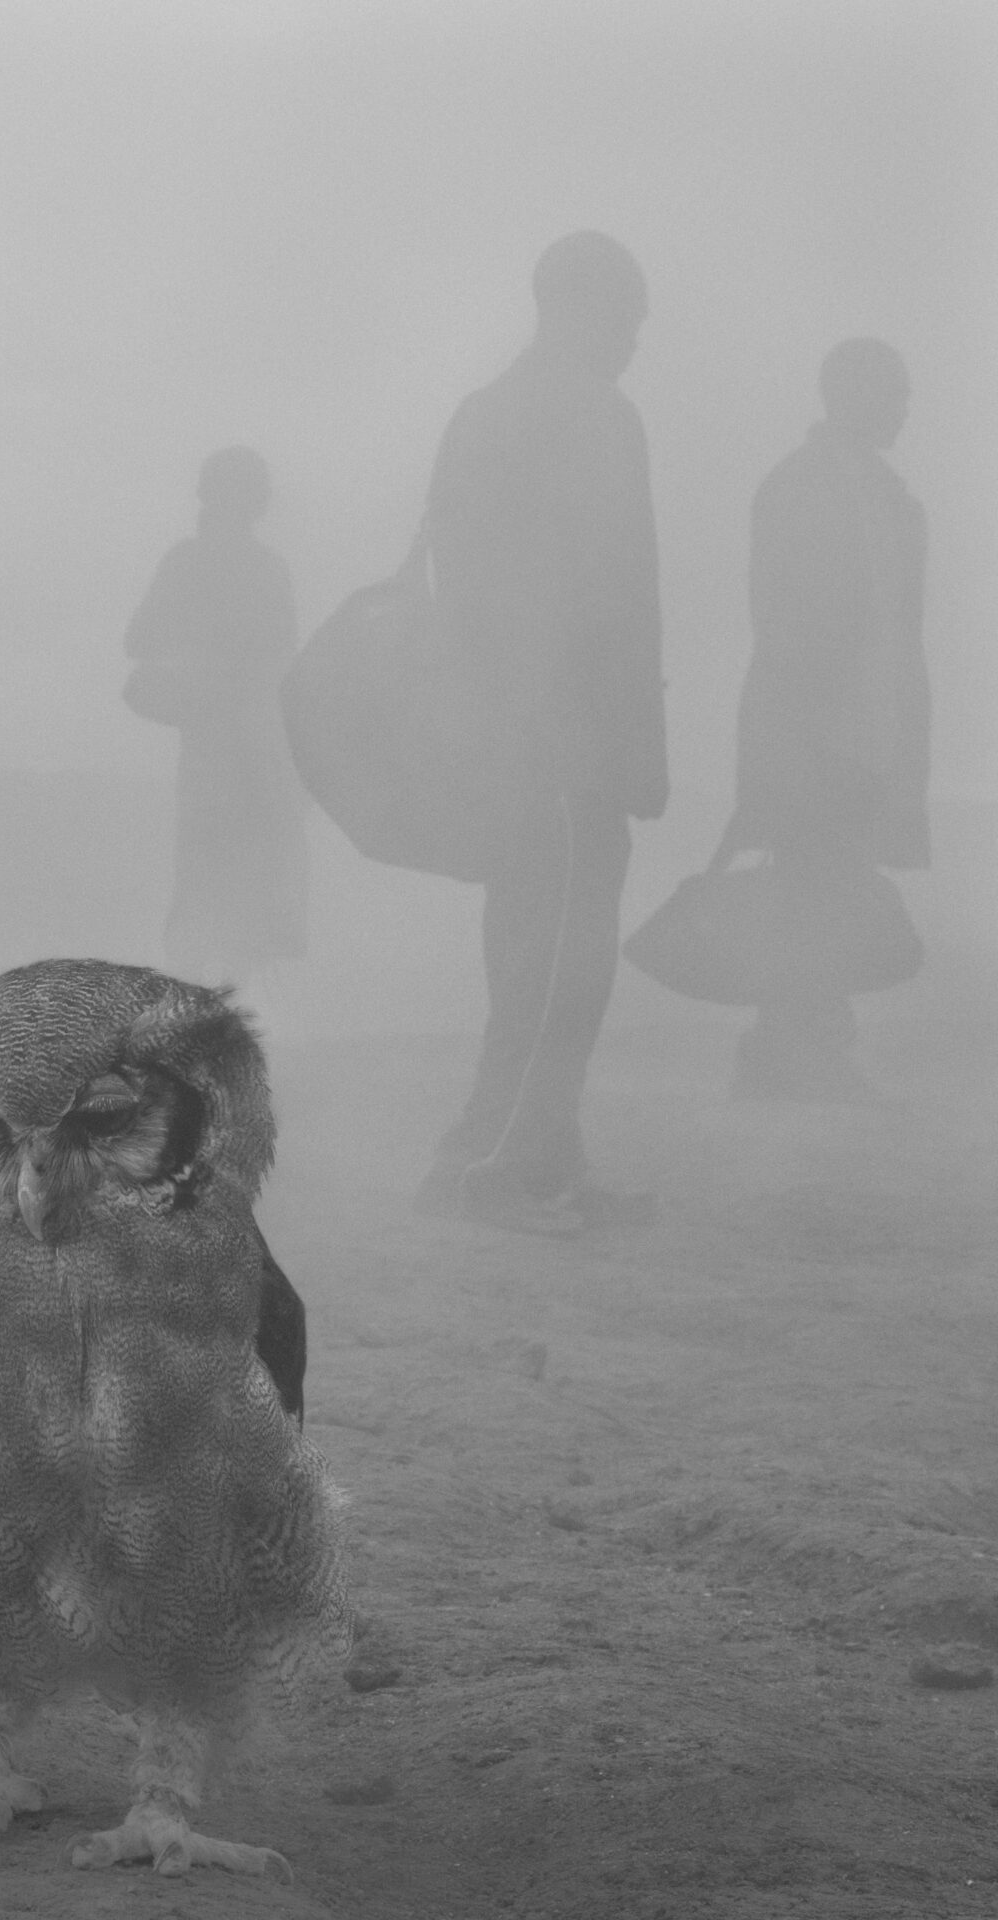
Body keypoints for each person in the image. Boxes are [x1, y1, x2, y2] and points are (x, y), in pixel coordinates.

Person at [412, 232, 666, 1237]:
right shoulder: (557, 416)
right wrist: (555, 721)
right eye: (625, 319)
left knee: (556, 948)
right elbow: (526, 588)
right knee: (552, 955)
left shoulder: (520, 413)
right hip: (556, 739)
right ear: (569, 307)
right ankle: (475, 1163)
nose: (633, 342)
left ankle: (547, 1157)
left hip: (554, 738)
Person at [719, 338, 928, 1099]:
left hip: (870, 733)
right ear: (845, 395)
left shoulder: (893, 501)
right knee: (811, 885)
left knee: (835, 886)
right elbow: (779, 623)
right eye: (891, 392)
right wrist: (798, 735)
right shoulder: (798, 489)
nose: (904, 407)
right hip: (812, 732)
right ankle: (792, 1050)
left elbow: (899, 633)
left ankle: (805, 1046)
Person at [122, 446, 307, 985]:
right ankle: (212, 1012)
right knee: (224, 880)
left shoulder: (197, 562)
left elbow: (139, 638)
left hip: (230, 747)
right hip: (233, 747)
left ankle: (206, 1011)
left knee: (218, 880)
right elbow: (140, 639)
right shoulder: (247, 568)